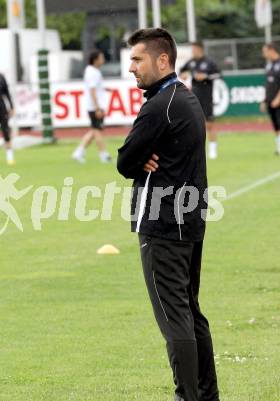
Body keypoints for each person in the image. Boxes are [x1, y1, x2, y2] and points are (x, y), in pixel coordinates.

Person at [117, 28, 220, 401]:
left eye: (137, 59)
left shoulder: (159, 106)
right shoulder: (185, 98)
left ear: (163, 60)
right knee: (190, 312)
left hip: (163, 224)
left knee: (174, 317)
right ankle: (207, 395)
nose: (131, 68)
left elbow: (125, 162)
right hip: (189, 220)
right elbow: (134, 159)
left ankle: (187, 396)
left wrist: (136, 159)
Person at [180, 42, 221, 159]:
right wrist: (183, 74)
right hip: (193, 98)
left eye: (194, 49)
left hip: (207, 97)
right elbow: (181, 71)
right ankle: (195, 151)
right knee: (194, 125)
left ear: (200, 49)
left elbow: (218, 74)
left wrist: (206, 76)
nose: (192, 51)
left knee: (209, 124)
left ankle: (213, 150)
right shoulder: (191, 62)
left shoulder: (209, 62)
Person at [72, 49, 111, 164]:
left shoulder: (93, 71)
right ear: (96, 60)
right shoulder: (92, 72)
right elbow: (92, 90)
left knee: (95, 130)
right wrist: (97, 107)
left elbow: (95, 89)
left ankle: (79, 152)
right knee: (97, 131)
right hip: (94, 107)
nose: (103, 60)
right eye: (101, 57)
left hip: (95, 106)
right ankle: (103, 155)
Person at [261, 43, 280, 155]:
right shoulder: (269, 65)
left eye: (265, 51)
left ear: (271, 50)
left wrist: (278, 99)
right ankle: (278, 148)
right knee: (276, 125)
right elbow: (268, 85)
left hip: (278, 101)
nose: (264, 54)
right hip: (270, 101)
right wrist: (264, 100)